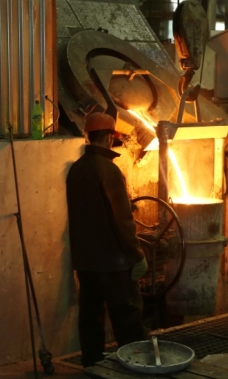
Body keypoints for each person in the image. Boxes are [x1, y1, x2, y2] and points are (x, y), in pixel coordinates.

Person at [66, 112, 149, 367]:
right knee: (127, 316)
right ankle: (135, 365)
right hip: (114, 263)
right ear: (110, 137)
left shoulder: (76, 170)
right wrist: (137, 253)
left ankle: (92, 364)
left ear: (88, 135)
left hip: (86, 261)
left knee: (90, 315)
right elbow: (122, 219)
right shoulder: (109, 170)